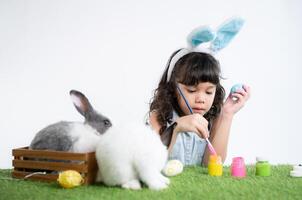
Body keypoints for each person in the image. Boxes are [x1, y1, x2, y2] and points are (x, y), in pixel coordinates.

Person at [148, 18, 251, 166]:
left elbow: (213, 164)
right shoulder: (159, 117)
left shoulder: (213, 118)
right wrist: (176, 128)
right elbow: (152, 163)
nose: (201, 99)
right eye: (191, 90)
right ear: (173, 88)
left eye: (209, 92)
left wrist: (227, 114)